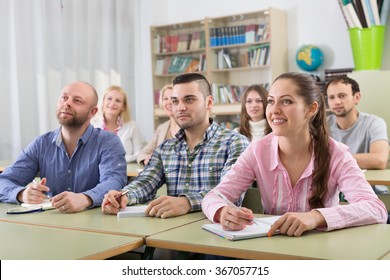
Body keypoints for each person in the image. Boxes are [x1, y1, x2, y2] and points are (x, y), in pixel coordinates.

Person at [202, 72, 387, 237]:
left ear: (311, 109)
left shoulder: (336, 154)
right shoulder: (257, 150)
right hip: (271, 252)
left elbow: (376, 209)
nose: (274, 110)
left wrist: (316, 217)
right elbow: (214, 196)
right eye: (271, 101)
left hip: (320, 253)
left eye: (287, 101)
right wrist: (221, 211)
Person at [102, 73, 249, 218]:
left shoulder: (235, 143)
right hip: (169, 234)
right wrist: (124, 195)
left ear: (209, 103)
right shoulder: (166, 148)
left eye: (189, 100)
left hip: (216, 233)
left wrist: (187, 203)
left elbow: (229, 194)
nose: (180, 108)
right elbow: (145, 183)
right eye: (175, 101)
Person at [0, 81, 127, 213]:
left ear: (92, 112)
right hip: (51, 223)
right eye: (64, 98)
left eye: (77, 100)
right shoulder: (41, 144)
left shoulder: (109, 142)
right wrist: (21, 194)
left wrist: (86, 198)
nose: (67, 103)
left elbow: (115, 181)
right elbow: (4, 181)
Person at [326, 76, 389, 195]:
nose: (337, 102)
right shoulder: (323, 125)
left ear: (357, 97)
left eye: (342, 95)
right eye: (332, 97)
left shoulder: (374, 123)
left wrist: (334, 158)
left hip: (373, 192)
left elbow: (380, 160)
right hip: (336, 194)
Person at [92, 85, 143, 163]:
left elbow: (139, 154)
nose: (112, 103)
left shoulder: (132, 126)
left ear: (123, 107)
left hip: (125, 172)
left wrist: (114, 160)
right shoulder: (92, 124)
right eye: (109, 99)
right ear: (103, 102)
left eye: (118, 101)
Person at [137, 84, 180, 166]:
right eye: (165, 99)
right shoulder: (161, 128)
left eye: (172, 98)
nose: (168, 102)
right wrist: (146, 160)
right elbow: (142, 153)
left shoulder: (188, 126)